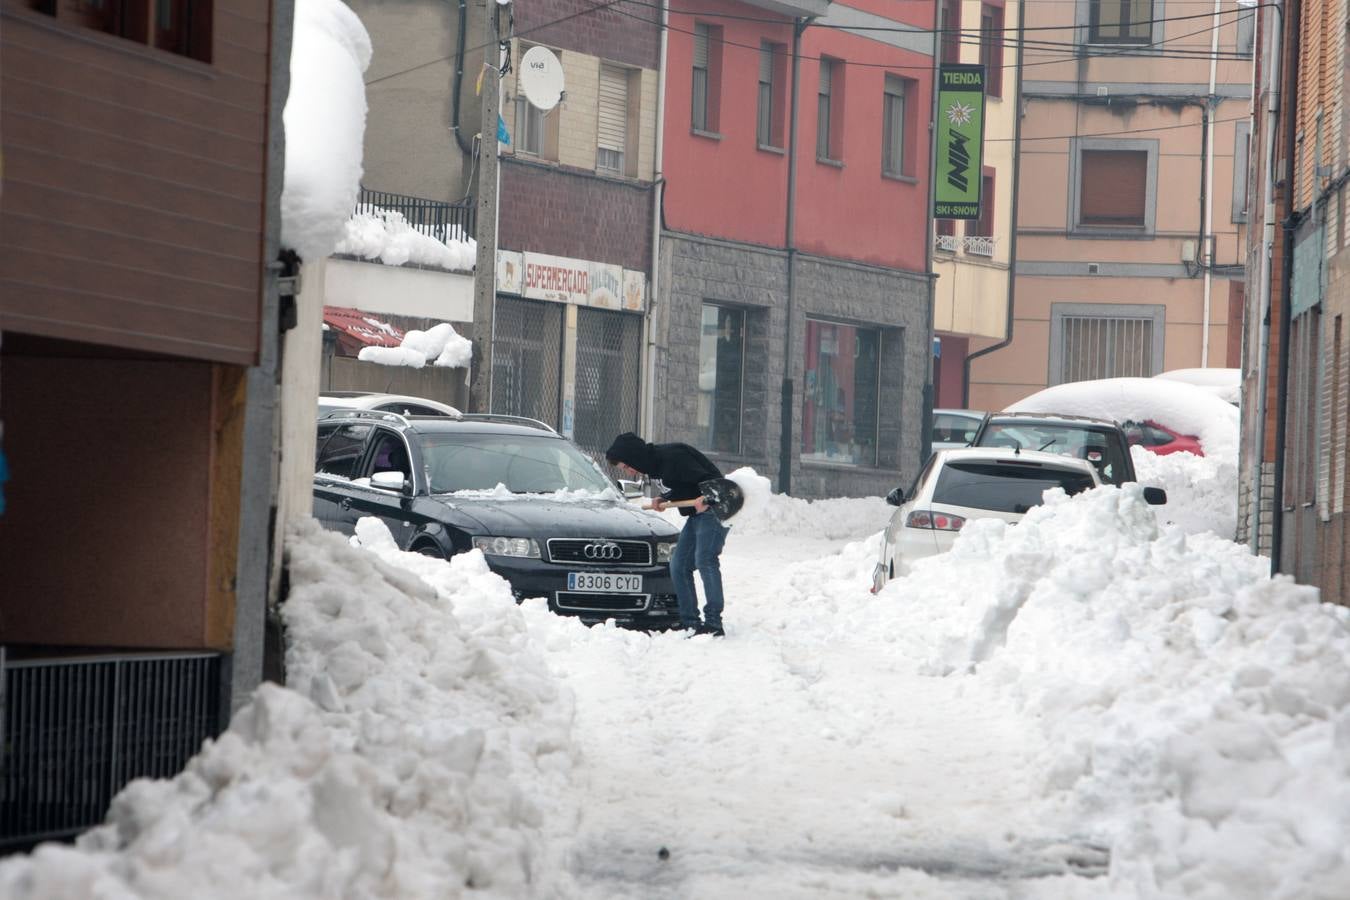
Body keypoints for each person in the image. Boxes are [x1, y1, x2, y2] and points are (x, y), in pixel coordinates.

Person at [605, 432, 728, 637]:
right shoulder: (653, 467)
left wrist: (707, 497)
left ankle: (714, 623)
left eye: (626, 466)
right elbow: (680, 486)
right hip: (696, 515)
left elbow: (711, 479)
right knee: (678, 565)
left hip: (715, 510)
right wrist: (663, 499)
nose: (629, 471)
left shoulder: (673, 456)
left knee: (705, 559)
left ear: (633, 456)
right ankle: (690, 623)